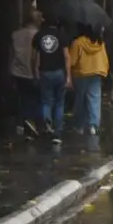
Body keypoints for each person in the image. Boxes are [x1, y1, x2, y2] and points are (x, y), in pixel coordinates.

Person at [32, 10, 71, 143]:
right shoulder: (61, 36)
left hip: (44, 71)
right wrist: (69, 76)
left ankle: (47, 123)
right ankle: (57, 132)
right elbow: (66, 56)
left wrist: (35, 70)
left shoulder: (39, 35)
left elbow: (35, 56)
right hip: (59, 72)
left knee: (46, 101)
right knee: (60, 103)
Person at [67, 24, 108, 135]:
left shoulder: (77, 43)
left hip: (81, 74)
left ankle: (79, 125)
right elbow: (105, 60)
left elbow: (73, 61)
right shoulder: (100, 42)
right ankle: (93, 125)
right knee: (94, 99)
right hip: (97, 73)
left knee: (80, 99)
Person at [10, 6, 42, 139]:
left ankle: (21, 124)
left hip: (17, 71)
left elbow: (11, 54)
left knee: (22, 98)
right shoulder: (38, 36)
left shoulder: (15, 34)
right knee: (34, 99)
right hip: (33, 71)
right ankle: (32, 125)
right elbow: (37, 56)